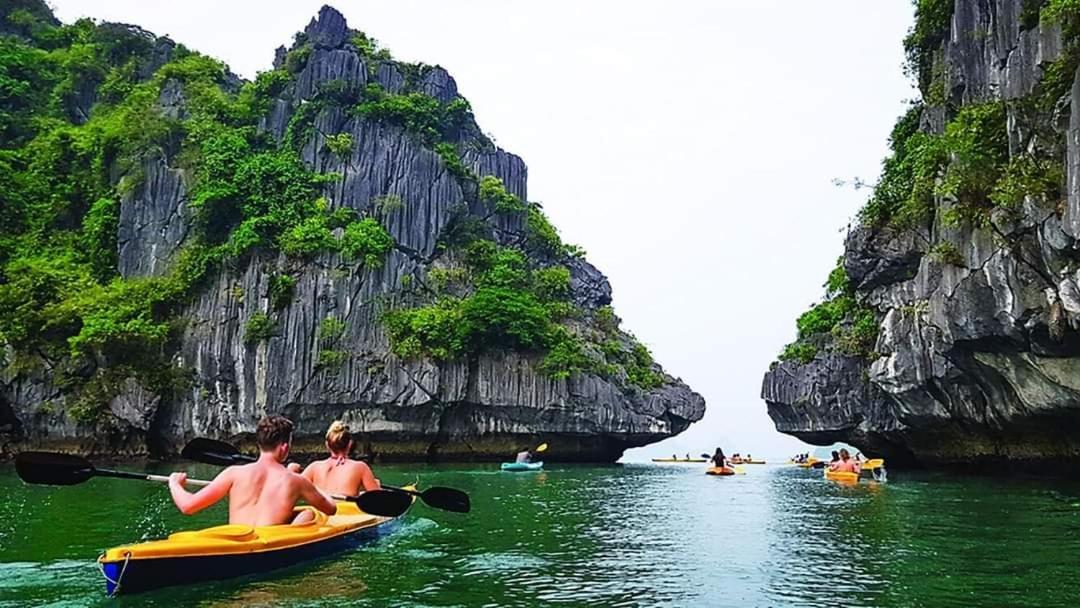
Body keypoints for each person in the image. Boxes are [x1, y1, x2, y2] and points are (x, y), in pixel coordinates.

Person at [168, 415, 337, 526]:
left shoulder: (234, 473)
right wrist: (318, 487)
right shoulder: (297, 481)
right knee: (309, 513)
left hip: (234, 541)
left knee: (303, 513)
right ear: (284, 447)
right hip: (269, 547)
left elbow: (188, 506)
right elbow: (331, 509)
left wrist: (174, 483)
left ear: (259, 443)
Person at [302, 420, 381, 496]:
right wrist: (376, 486)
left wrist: (292, 470)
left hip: (321, 509)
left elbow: (293, 487)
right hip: (345, 509)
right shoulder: (360, 467)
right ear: (350, 444)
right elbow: (377, 498)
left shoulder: (314, 467)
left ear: (327, 445)